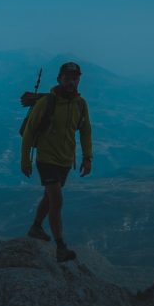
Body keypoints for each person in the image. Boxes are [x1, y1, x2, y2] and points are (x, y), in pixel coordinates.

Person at [20, 61, 93, 262]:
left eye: (75, 78)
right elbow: (29, 132)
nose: (71, 81)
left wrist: (88, 157)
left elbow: (85, 131)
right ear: (59, 79)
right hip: (47, 158)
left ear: (79, 80)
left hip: (65, 160)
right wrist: (25, 160)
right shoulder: (46, 103)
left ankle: (36, 226)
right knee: (57, 199)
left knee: (49, 197)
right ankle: (61, 246)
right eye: (67, 78)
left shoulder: (80, 104)